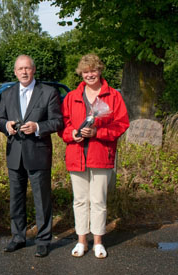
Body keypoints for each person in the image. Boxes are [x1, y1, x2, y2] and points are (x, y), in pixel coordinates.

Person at [59, 54, 129, 259]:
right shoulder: (72, 97)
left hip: (101, 154)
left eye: (94, 70)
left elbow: (122, 124)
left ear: (100, 71)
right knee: (80, 200)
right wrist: (71, 134)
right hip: (76, 154)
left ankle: (98, 241)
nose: (90, 74)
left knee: (98, 200)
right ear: (81, 73)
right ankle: (81, 241)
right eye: (86, 71)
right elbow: (62, 124)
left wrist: (99, 133)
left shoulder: (113, 96)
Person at [0, 55, 63, 257]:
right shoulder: (8, 94)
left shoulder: (48, 92)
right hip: (15, 154)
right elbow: (0, 119)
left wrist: (37, 127)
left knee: (41, 199)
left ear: (33, 70)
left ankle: (43, 239)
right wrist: (6, 126)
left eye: (27, 68)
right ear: (15, 72)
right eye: (20, 69)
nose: (24, 72)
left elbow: (58, 122)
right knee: (16, 199)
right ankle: (18, 237)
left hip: (38, 153)